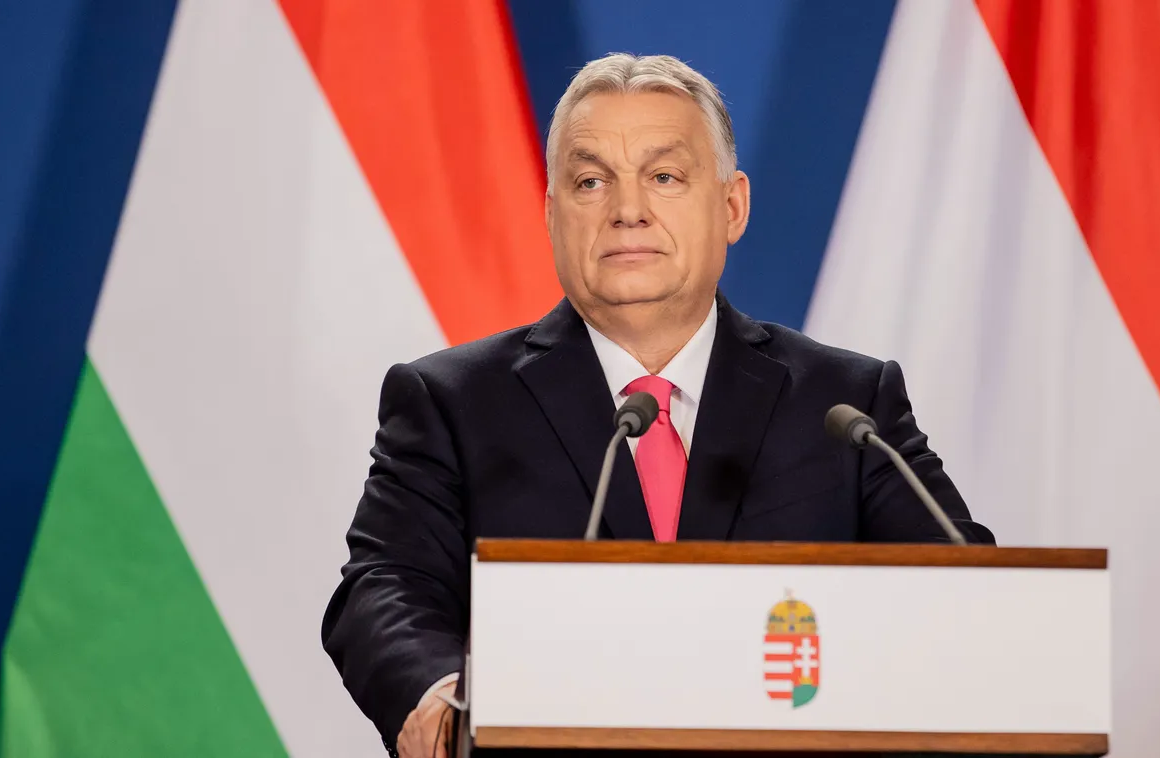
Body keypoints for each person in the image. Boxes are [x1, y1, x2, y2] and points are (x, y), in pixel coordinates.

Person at [322, 53, 994, 758]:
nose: (627, 210)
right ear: (551, 214)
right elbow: (383, 586)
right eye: (590, 182)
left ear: (731, 207)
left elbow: (960, 588)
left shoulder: (846, 406)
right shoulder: (452, 402)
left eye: (664, 177)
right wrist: (436, 696)